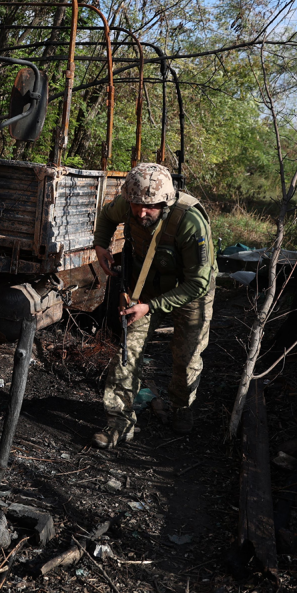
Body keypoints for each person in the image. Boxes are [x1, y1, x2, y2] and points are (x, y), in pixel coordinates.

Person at [91, 163, 215, 449]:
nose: (141, 213)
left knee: (186, 358)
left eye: (150, 208)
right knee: (127, 350)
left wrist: (152, 306)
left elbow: (198, 283)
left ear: (166, 203)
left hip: (191, 290)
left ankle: (181, 406)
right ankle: (118, 423)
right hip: (147, 283)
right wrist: (101, 245)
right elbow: (107, 217)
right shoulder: (128, 203)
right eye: (136, 206)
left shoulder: (190, 222)